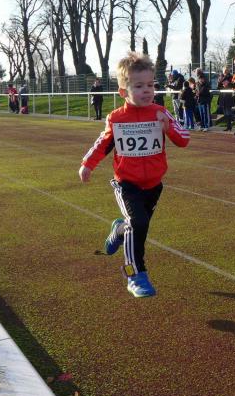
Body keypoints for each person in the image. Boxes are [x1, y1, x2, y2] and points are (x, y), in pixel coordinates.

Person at [79, 52, 190, 298]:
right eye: (139, 86)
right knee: (138, 222)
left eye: (150, 85)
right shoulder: (116, 118)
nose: (146, 90)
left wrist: (168, 128)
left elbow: (184, 139)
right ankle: (134, 274)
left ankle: (119, 230)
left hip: (153, 185)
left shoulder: (161, 112)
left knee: (138, 227)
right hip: (126, 184)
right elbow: (103, 144)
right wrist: (87, 164)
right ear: (123, 92)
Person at [218, 66, 235, 131]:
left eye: (226, 70)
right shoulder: (221, 77)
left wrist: (228, 83)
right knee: (225, 112)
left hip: (228, 96)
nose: (225, 71)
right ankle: (228, 126)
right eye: (224, 70)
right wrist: (219, 81)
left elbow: (233, 85)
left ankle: (229, 126)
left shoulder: (230, 77)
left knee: (228, 111)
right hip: (222, 96)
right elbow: (218, 87)